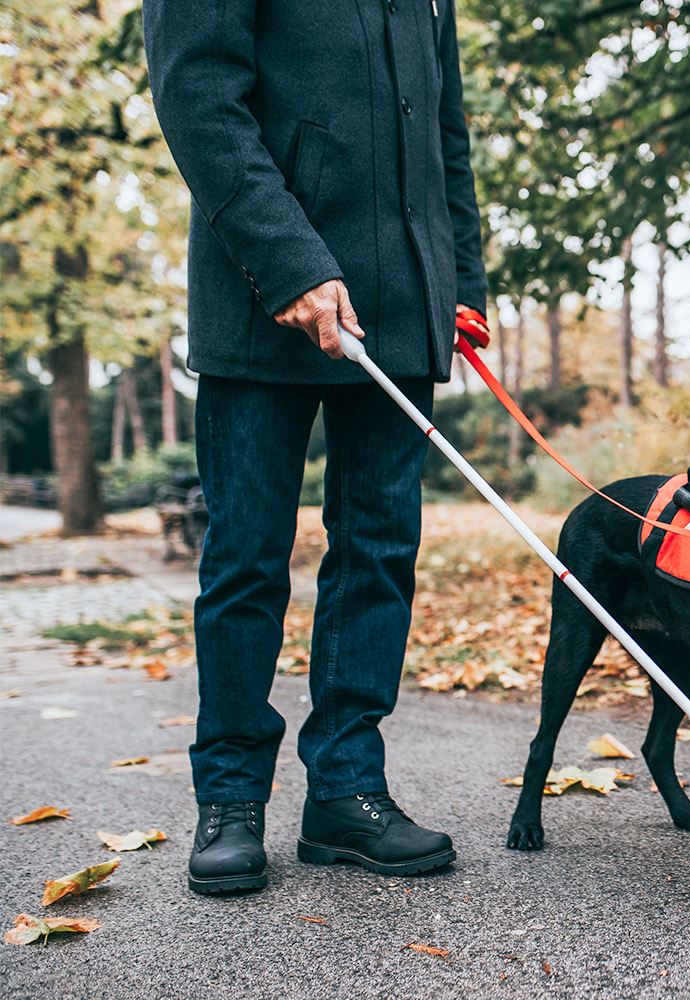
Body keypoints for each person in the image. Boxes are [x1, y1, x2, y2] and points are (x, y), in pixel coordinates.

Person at [144, 0, 493, 895]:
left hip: (404, 313)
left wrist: (459, 283)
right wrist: (292, 263)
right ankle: (229, 799)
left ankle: (345, 791)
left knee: (379, 554)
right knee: (246, 559)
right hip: (262, 298)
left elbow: (443, 132)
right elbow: (197, 97)